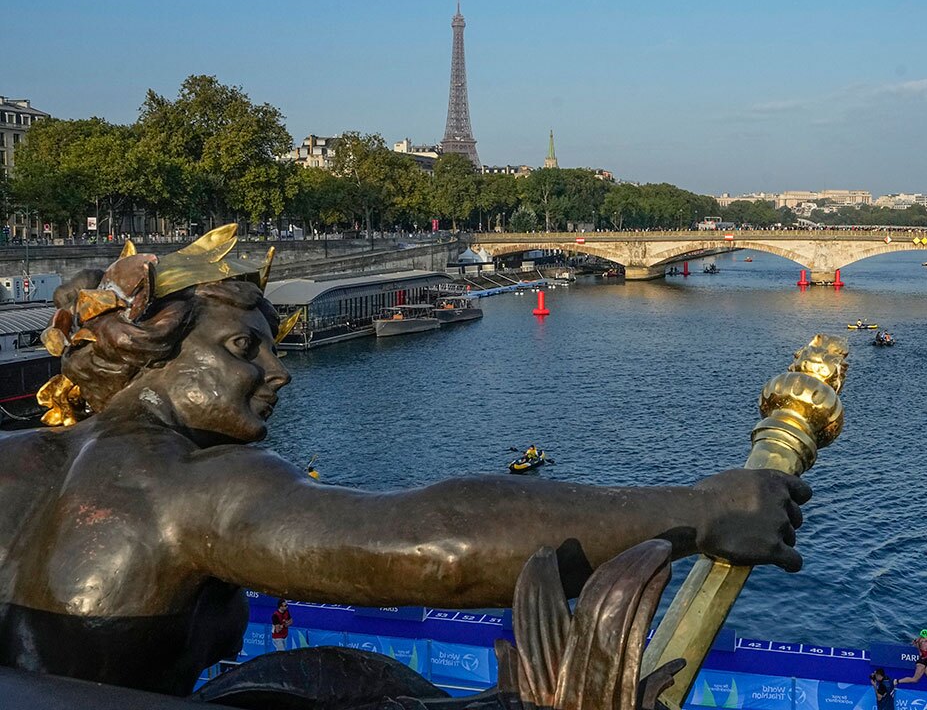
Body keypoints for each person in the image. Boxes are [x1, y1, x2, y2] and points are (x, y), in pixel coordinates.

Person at [0, 228, 812, 697]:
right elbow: (433, 548)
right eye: (245, 348)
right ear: (154, 356)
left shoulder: (16, 463)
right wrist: (703, 511)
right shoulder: (187, 485)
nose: (276, 373)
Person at [895, 629, 927, 693]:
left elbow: (916, 646)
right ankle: (897, 681)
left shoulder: (919, 641)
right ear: (925, 636)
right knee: (914, 679)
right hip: (922, 663)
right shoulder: (926, 644)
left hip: (926, 662)